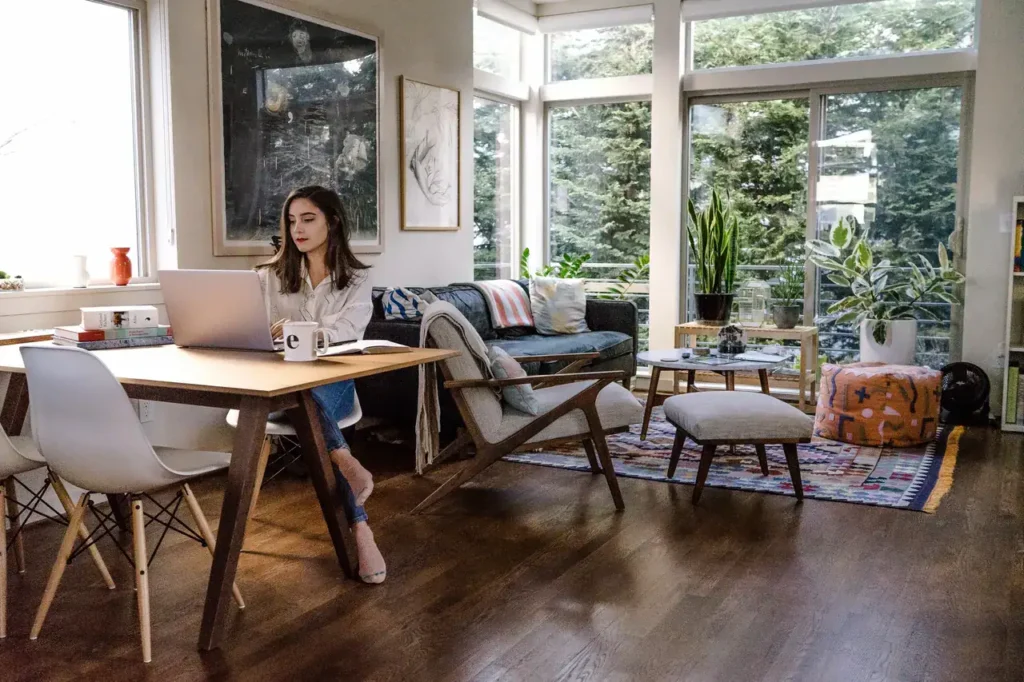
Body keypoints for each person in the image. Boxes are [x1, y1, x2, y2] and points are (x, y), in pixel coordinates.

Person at [256, 185, 385, 584]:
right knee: (301, 396)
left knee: (309, 398)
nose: (298, 229)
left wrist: (298, 330)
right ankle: (348, 469)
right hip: (278, 383)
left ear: (333, 222)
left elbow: (351, 329)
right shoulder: (268, 276)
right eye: (292, 221)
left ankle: (359, 524)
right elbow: (256, 331)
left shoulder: (359, 278)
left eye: (308, 219)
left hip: (333, 382)